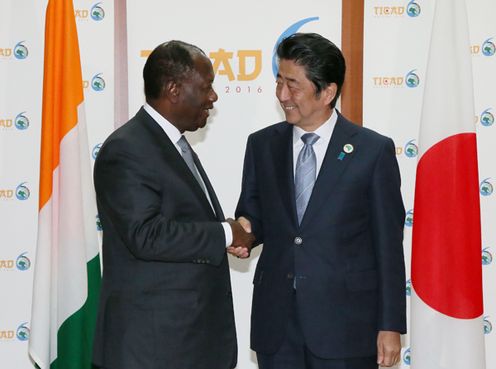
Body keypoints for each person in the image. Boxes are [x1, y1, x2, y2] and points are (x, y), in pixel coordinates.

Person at [234, 33, 406, 369]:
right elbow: (253, 211)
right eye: (279, 81)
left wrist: (390, 325)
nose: (283, 95)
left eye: (293, 85)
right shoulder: (262, 145)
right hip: (277, 324)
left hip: (345, 325)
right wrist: (244, 231)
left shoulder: (372, 151)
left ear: (327, 92)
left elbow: (388, 245)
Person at [92, 40, 253, 369]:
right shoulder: (127, 149)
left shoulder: (171, 144)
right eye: (206, 87)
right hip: (153, 349)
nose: (213, 97)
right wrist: (225, 234)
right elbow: (145, 235)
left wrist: (226, 230)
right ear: (174, 89)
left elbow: (175, 220)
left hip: (186, 345)